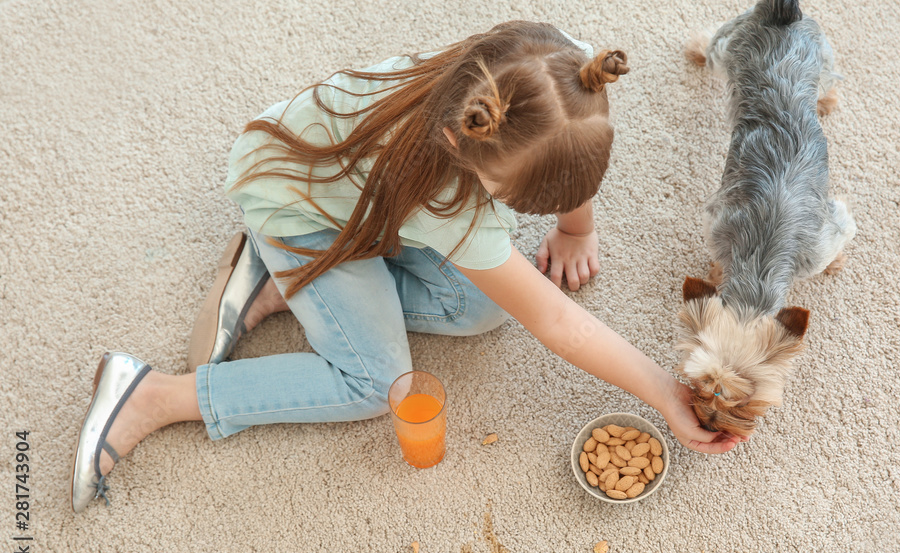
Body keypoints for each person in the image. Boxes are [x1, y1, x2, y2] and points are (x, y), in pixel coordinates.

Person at [72, 20, 744, 513]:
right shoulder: (447, 202)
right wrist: (662, 388)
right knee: (376, 383)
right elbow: (555, 320)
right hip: (296, 210)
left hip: (353, 199)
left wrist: (577, 224)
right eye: (513, 201)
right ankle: (155, 392)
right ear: (466, 148)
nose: (520, 212)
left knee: (485, 305)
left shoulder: (549, 70)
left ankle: (297, 285)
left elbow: (572, 155)